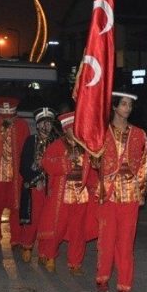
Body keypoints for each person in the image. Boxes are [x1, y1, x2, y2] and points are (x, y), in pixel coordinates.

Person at [94, 91, 147, 292]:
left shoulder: (139, 134)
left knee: (126, 241)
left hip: (130, 194)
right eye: (124, 104)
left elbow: (144, 165)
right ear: (115, 107)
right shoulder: (101, 133)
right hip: (107, 193)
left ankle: (124, 285)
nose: (128, 108)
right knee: (107, 239)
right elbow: (92, 162)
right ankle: (102, 279)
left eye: (130, 105)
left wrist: (141, 192)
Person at [37, 112, 97, 275]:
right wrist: (67, 161)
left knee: (79, 231)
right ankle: (49, 256)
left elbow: (91, 171)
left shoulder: (85, 147)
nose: (77, 132)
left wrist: (95, 187)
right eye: (73, 129)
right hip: (61, 196)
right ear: (66, 130)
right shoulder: (57, 145)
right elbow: (47, 163)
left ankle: (75, 263)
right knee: (57, 228)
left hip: (81, 195)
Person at [0, 96, 31, 248]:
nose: (8, 117)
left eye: (10, 114)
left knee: (16, 207)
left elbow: (26, 147)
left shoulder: (22, 124)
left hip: (16, 175)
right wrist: (2, 133)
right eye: (4, 114)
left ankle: (16, 238)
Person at [16, 107, 57, 262]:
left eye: (49, 122)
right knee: (33, 220)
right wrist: (36, 179)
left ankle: (44, 252)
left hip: (52, 188)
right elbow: (23, 166)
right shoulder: (30, 141)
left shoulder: (56, 142)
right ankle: (27, 246)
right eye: (43, 123)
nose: (46, 126)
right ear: (38, 125)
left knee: (48, 222)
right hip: (35, 187)